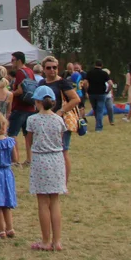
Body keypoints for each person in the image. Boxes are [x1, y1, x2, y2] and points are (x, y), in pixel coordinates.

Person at [25, 85, 66, 251]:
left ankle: (45, 240)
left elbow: (29, 140)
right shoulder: (58, 119)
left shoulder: (32, 120)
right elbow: (60, 138)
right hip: (57, 159)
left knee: (43, 202)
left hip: (40, 159)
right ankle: (57, 241)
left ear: (37, 102)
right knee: (55, 201)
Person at [38, 55, 80, 185]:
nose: (52, 70)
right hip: (45, 121)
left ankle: (64, 184)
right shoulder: (42, 83)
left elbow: (75, 99)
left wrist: (61, 111)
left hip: (61, 121)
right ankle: (52, 180)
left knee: (63, 151)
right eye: (49, 68)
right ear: (44, 69)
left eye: (54, 67)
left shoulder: (62, 82)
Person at [9, 52, 38, 164]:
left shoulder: (20, 72)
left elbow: (20, 90)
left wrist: (11, 93)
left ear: (19, 60)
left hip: (20, 106)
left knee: (13, 133)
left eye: (13, 60)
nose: (11, 63)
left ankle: (15, 160)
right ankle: (30, 159)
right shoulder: (30, 71)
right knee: (28, 134)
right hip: (30, 106)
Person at [84, 60, 111, 132]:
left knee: (95, 109)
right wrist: (107, 91)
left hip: (92, 93)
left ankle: (98, 123)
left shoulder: (89, 73)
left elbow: (85, 83)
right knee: (100, 110)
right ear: (101, 65)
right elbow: (110, 83)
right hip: (101, 93)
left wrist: (87, 90)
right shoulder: (104, 73)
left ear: (95, 65)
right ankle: (99, 127)